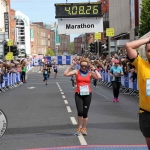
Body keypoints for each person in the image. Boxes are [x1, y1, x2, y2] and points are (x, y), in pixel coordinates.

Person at [63, 58, 101, 136]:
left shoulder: (90, 73)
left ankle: (84, 128)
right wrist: (71, 66)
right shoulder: (77, 72)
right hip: (78, 94)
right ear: (80, 66)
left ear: (87, 66)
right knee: (80, 112)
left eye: (85, 66)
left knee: (85, 113)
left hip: (87, 94)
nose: (83, 67)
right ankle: (79, 128)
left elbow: (99, 77)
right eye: (82, 65)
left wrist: (94, 69)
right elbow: (65, 74)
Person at [125, 37, 150, 150]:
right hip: (146, 113)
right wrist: (148, 39)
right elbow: (128, 46)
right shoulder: (141, 64)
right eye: (149, 51)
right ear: (146, 53)